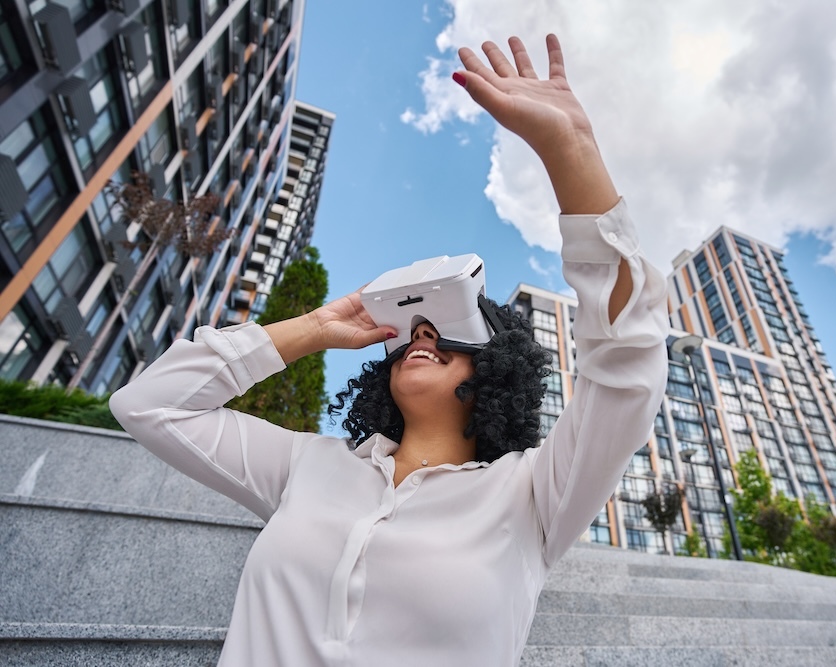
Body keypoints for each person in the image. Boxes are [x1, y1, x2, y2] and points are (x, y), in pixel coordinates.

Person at [110, 34, 669, 667]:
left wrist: (571, 148)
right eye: (413, 330)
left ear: (497, 369)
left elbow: (627, 356)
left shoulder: (534, 494)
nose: (422, 336)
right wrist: (318, 326)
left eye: (450, 329)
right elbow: (150, 406)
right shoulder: (309, 466)